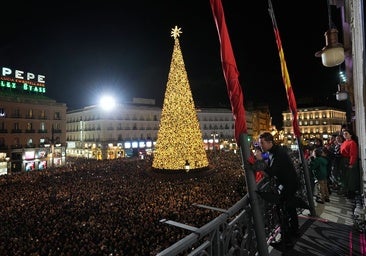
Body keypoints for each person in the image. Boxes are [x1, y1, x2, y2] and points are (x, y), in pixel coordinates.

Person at [254, 132, 301, 248]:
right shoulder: (274, 151)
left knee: (284, 211)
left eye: (262, 143)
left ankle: (287, 239)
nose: (261, 146)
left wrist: (259, 160)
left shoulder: (277, 154)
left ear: (270, 142)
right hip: (288, 184)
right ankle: (294, 231)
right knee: (290, 209)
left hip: (287, 185)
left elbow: (270, 172)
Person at [340, 128, 360, 199]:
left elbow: (353, 154)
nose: (344, 135)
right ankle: (347, 191)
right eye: (344, 134)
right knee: (345, 177)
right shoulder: (344, 142)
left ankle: (351, 193)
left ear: (350, 135)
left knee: (351, 177)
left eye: (346, 134)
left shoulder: (352, 143)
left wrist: (351, 163)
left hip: (349, 161)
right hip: (344, 161)